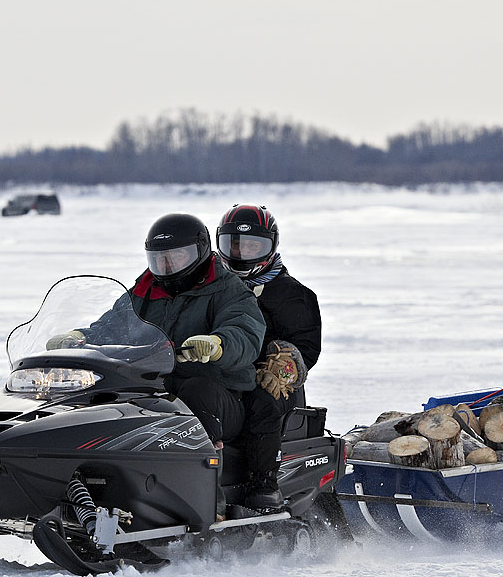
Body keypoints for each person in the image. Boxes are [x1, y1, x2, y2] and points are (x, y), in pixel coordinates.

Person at [47, 213, 266, 456]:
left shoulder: (228, 289)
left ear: (200, 252)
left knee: (197, 391)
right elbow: (112, 327)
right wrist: (79, 338)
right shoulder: (144, 291)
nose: (168, 266)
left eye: (177, 257)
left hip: (219, 397)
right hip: (152, 387)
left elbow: (244, 332)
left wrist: (216, 344)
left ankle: (202, 470)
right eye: (160, 259)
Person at [217, 204, 322, 510]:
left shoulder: (293, 294)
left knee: (262, 401)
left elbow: (307, 349)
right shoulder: (213, 287)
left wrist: (285, 366)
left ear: (271, 246)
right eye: (234, 244)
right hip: (224, 374)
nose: (243, 253)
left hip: (274, 385)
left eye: (253, 246)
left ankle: (263, 483)